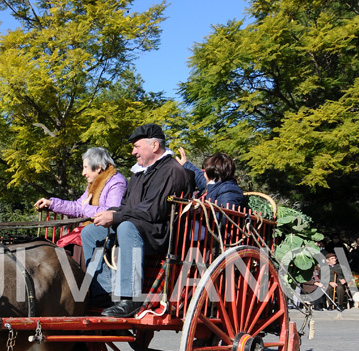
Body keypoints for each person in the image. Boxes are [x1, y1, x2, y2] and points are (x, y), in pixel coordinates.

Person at [80, 124, 194, 317]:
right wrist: (106, 214)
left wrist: (115, 217)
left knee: (125, 227)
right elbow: (126, 206)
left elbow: (153, 211)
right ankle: (104, 292)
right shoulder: (140, 173)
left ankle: (130, 299)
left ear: (155, 145)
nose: (133, 152)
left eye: (137, 146)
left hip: (159, 233)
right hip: (137, 225)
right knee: (90, 232)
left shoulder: (172, 171)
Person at [176, 148, 246, 209]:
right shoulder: (215, 184)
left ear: (212, 172)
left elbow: (225, 219)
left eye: (204, 171)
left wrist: (200, 212)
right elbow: (199, 176)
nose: (203, 173)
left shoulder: (229, 191)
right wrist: (185, 163)